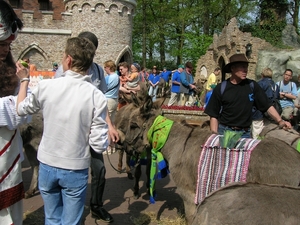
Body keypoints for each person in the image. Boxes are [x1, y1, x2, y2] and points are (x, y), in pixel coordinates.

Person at [17, 37, 107, 224]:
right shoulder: (96, 96)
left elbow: (20, 109)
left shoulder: (46, 86)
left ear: (68, 60)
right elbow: (98, 144)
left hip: (48, 164)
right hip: (75, 166)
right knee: (71, 222)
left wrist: (24, 80)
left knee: (51, 218)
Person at [54, 31, 118, 223]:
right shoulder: (64, 70)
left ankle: (96, 206)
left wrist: (110, 125)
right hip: (69, 131)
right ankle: (66, 208)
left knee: (99, 170)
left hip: (92, 131)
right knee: (67, 171)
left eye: (91, 50)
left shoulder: (98, 71)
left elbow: (101, 102)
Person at [204, 53, 291, 138]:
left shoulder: (252, 86)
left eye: (246, 66)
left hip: (244, 133)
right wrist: (214, 135)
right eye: (242, 66)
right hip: (224, 132)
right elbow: (213, 114)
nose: (245, 70)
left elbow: (267, 106)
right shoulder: (221, 88)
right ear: (233, 68)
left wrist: (280, 121)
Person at [0, 2, 29, 225]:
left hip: (9, 143)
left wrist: (23, 84)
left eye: (8, 46)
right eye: (1, 44)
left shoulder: (8, 68)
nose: (5, 50)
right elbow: (15, 109)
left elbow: (20, 109)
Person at [251, 68, 280, 139]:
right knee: (268, 132)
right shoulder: (276, 86)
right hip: (272, 113)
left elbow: (255, 97)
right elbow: (277, 97)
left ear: (262, 75)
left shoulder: (259, 84)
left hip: (259, 112)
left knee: (257, 133)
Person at [103, 60, 120, 155]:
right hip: (114, 100)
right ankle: (113, 145)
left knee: (107, 124)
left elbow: (103, 88)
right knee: (112, 123)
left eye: (105, 67)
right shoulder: (117, 77)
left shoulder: (108, 78)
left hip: (107, 100)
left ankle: (108, 147)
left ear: (109, 67)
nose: (105, 69)